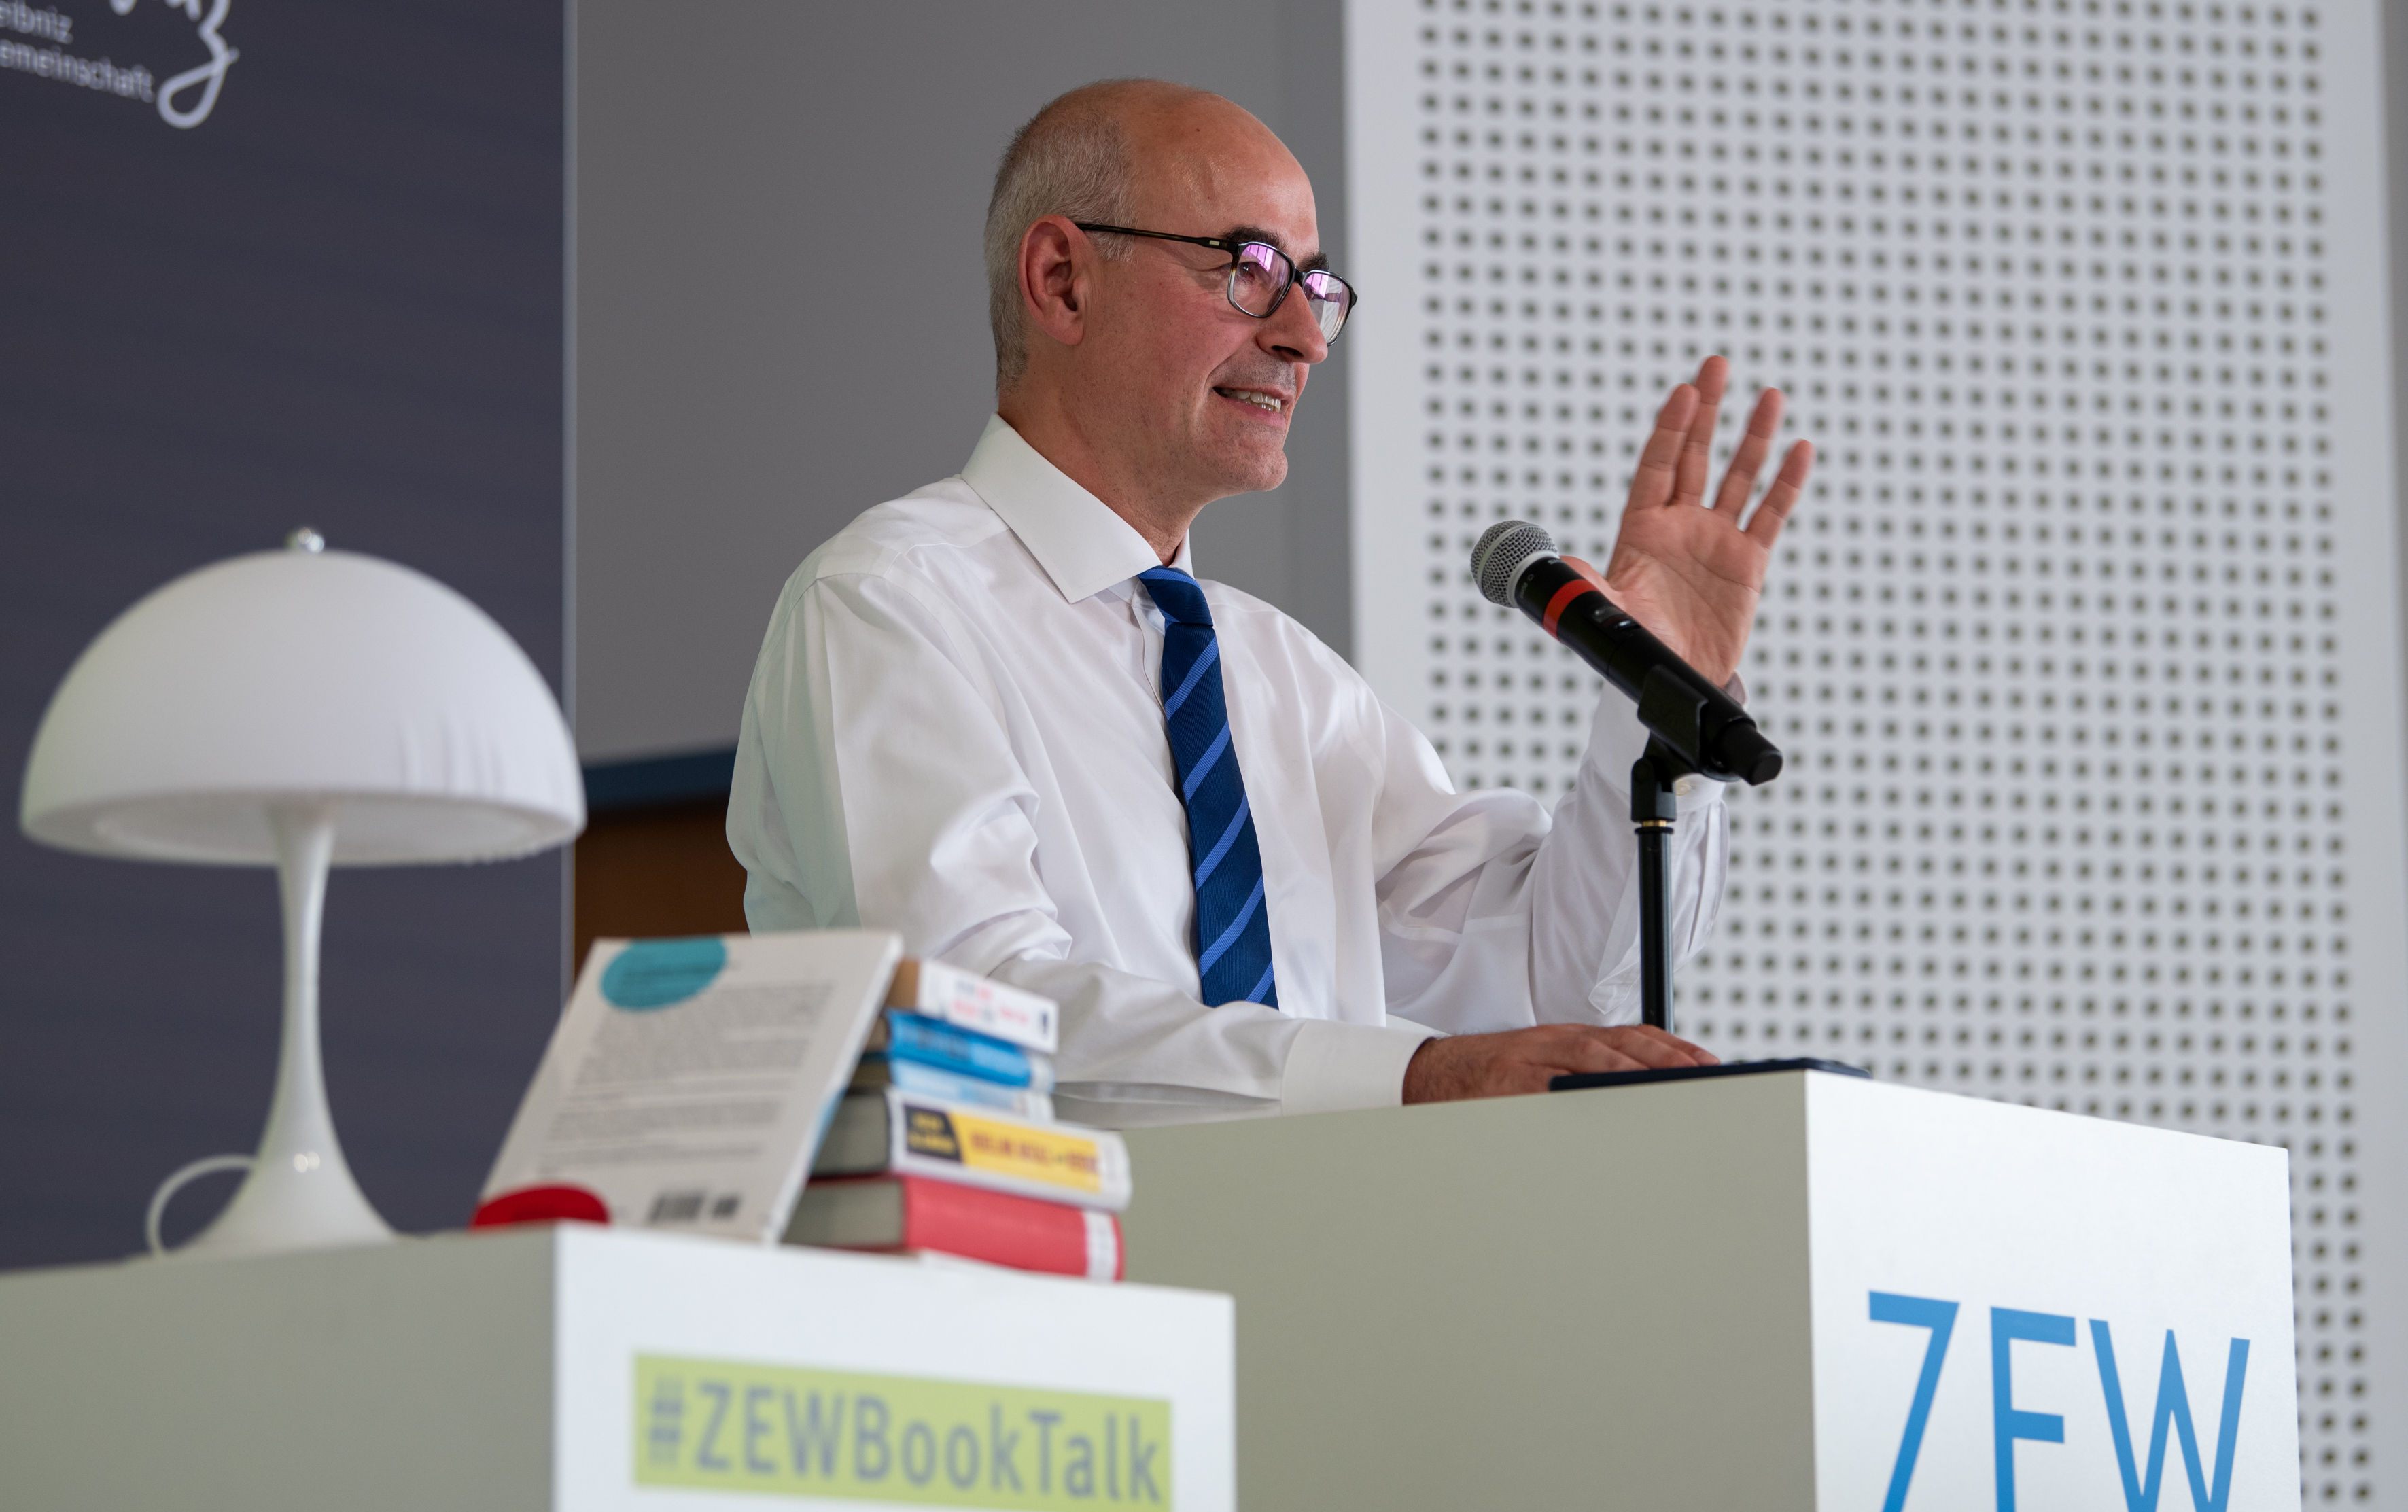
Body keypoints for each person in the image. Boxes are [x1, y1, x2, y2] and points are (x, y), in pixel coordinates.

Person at [727, 79, 1813, 1125]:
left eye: (1318, 288)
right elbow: (978, 1022)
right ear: (1062, 280)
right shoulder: (891, 605)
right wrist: (1411, 1078)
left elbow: (1559, 986)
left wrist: (1656, 694)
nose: (1301, 336)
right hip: (1026, 1293)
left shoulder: (1288, 682)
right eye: (1247, 268)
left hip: (1304, 1288)